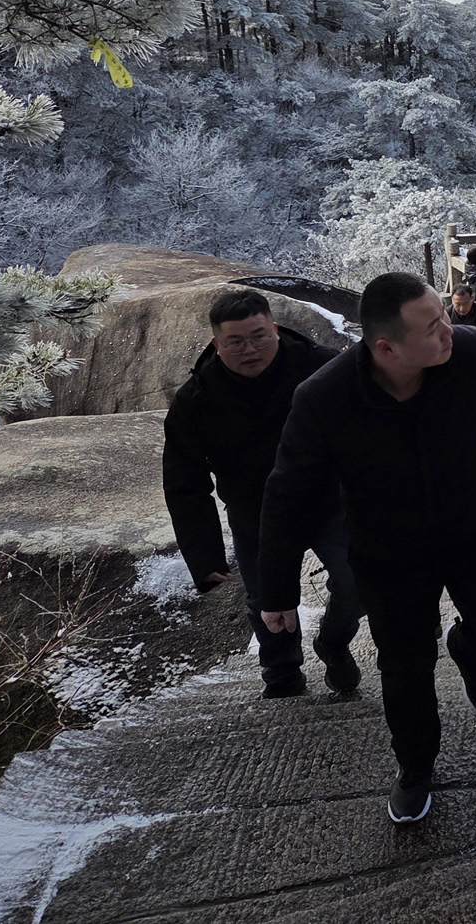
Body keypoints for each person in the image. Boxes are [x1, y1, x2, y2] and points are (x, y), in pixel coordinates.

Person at [258, 273, 476, 826]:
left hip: (472, 528)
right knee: (405, 668)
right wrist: (276, 590)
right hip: (389, 553)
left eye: (444, 316)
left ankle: (470, 647)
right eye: (433, 326)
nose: (449, 332)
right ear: (386, 347)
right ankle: (415, 768)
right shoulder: (324, 398)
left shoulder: (470, 351)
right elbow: (287, 493)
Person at [161, 288, 362, 700]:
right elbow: (185, 482)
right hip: (254, 512)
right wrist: (204, 556)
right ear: (217, 343)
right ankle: (282, 670)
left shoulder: (322, 367)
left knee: (357, 578)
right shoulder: (196, 399)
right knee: (264, 599)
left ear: (275, 328)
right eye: (235, 342)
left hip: (327, 502)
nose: (249, 349)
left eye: (258, 336)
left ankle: (334, 641)